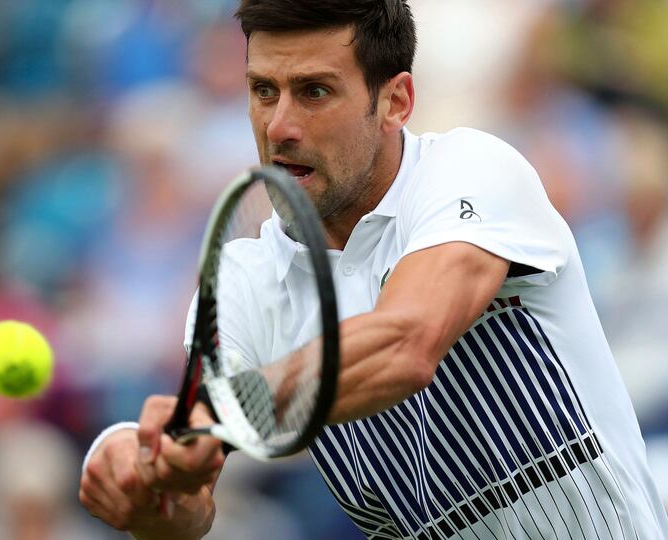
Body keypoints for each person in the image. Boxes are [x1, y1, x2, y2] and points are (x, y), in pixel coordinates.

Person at [78, 1, 668, 538]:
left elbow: (406, 343)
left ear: (395, 101)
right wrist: (151, 486)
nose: (278, 126)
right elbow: (191, 509)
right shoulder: (239, 281)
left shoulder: (471, 170)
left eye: (313, 92)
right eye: (263, 91)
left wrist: (230, 410)